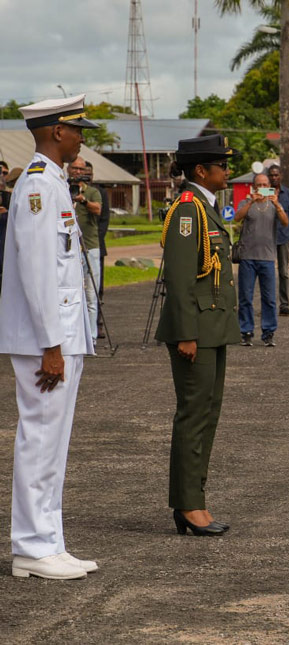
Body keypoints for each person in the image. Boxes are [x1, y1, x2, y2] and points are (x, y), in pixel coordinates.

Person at [0, 95, 99, 579]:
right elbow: (38, 271)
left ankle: (49, 541)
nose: (83, 138)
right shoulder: (38, 187)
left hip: (60, 335)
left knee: (53, 443)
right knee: (40, 438)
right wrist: (51, 344)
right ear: (57, 132)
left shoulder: (54, 182)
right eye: (78, 130)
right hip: (47, 340)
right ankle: (31, 546)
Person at [156, 134, 242, 537]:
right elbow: (178, 277)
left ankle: (196, 499)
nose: (227, 171)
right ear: (200, 171)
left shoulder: (207, 209)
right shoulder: (189, 210)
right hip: (195, 332)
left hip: (212, 328)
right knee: (193, 416)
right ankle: (188, 504)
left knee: (208, 414)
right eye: (221, 165)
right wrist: (187, 334)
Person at [235, 173, 288, 347]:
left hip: (267, 257)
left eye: (265, 184)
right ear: (254, 186)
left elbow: (285, 222)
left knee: (269, 299)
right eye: (259, 184)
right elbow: (236, 217)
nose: (262, 187)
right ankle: (246, 331)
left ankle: (268, 332)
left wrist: (277, 204)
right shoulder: (246, 203)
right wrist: (251, 200)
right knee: (245, 297)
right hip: (247, 257)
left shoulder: (273, 205)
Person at [67, 157, 102, 344]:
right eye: (75, 168)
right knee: (72, 293)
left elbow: (97, 210)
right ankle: (74, 336)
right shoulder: (62, 189)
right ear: (68, 169)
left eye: (81, 168)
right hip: (69, 248)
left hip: (90, 247)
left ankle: (92, 337)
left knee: (91, 294)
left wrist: (82, 200)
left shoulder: (92, 192)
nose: (78, 172)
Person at [267, 164, 289, 317]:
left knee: (284, 272)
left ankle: (284, 305)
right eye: (271, 175)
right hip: (266, 238)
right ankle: (268, 305)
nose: (274, 178)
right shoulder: (264, 193)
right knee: (266, 272)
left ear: (280, 176)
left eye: (276, 175)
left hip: (283, 237)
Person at [88, 161, 111, 339]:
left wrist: (98, 238)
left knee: (97, 288)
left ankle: (98, 323)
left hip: (96, 245)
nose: (85, 175)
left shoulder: (99, 193)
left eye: (88, 172)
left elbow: (104, 220)